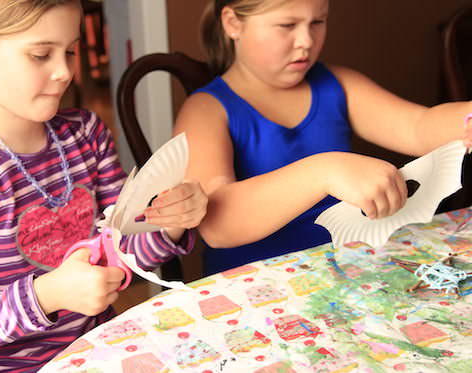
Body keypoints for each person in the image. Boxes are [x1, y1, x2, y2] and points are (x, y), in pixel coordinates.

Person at [0, 0, 207, 371]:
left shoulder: (86, 134)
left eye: (69, 50)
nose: (65, 71)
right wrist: (47, 294)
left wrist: (171, 221)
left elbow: (125, 252)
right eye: (40, 55)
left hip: (99, 353)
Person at [174, 0, 472, 275]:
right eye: (287, 25)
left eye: (317, 22)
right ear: (233, 24)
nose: (306, 41)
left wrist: (467, 118)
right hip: (255, 286)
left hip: (346, 267)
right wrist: (323, 171)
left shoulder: (337, 84)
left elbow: (417, 126)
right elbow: (217, 225)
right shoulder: (204, 111)